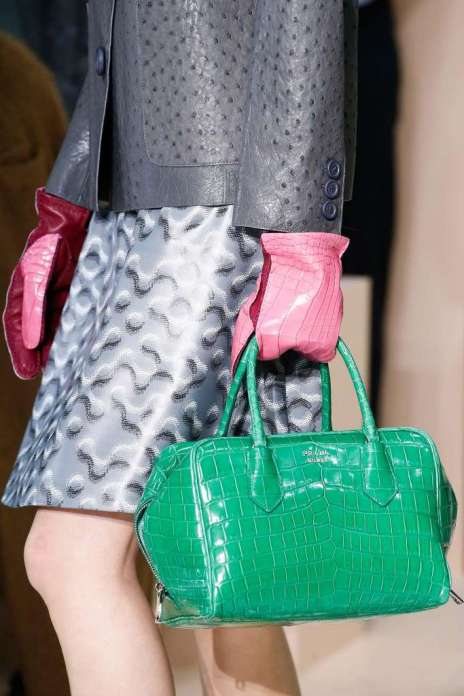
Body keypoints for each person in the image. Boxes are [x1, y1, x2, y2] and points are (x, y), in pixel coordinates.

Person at [2, 1, 358, 694]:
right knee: (219, 548)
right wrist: (70, 205)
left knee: (71, 556)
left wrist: (300, 234)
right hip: (136, 200)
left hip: (217, 203)